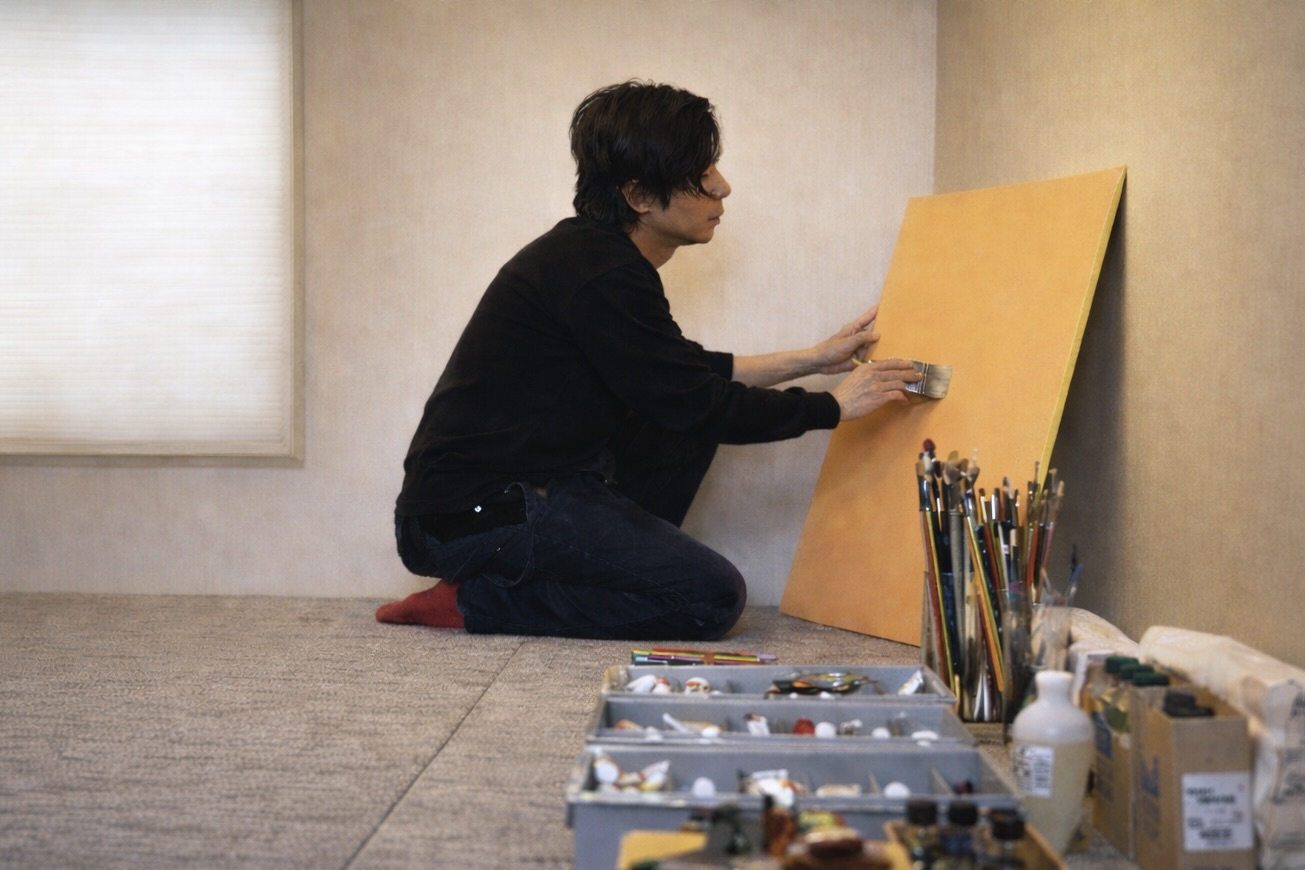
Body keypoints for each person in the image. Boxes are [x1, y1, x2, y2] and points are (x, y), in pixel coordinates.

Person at [378, 80, 920, 640]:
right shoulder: (601, 273)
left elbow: (677, 373)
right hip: (470, 515)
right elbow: (698, 401)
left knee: (680, 427)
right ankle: (475, 599)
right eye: (701, 174)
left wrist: (815, 359)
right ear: (638, 196)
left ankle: (617, 570)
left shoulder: (594, 256)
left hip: (520, 490)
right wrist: (834, 408)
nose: (723, 187)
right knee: (710, 599)